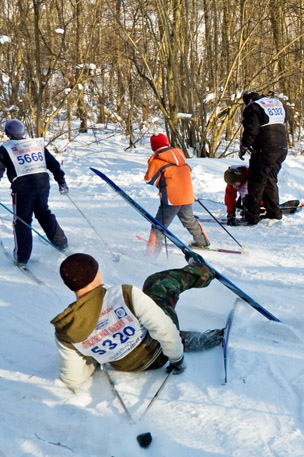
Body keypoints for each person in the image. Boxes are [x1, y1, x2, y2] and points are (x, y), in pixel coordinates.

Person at [51, 252, 223, 386]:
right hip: (159, 354)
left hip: (126, 365)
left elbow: (72, 378)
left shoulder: (66, 329)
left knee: (151, 321)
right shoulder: (123, 294)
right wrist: (177, 359)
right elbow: (164, 329)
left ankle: (187, 340)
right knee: (157, 284)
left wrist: (94, 357)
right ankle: (202, 272)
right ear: (96, 276)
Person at [0, 119, 68, 264]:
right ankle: (61, 241)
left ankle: (22, 257)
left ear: (8, 134)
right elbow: (53, 164)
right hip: (42, 182)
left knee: (22, 221)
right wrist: (61, 181)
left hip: (23, 187)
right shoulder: (35, 145)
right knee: (43, 213)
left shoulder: (5, 148)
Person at [144, 133, 209, 253]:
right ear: (167, 143)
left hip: (171, 199)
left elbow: (149, 179)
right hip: (187, 196)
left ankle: (151, 255)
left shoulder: (157, 160)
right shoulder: (181, 156)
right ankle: (202, 242)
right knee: (189, 220)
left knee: (158, 227)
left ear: (153, 147)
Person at [239, 91, 288, 225]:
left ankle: (252, 216)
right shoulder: (277, 103)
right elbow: (284, 120)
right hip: (282, 147)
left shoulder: (253, 108)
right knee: (270, 180)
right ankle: (274, 212)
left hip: (265, 149)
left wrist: (244, 146)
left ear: (249, 100)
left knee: (256, 181)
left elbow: (252, 129)